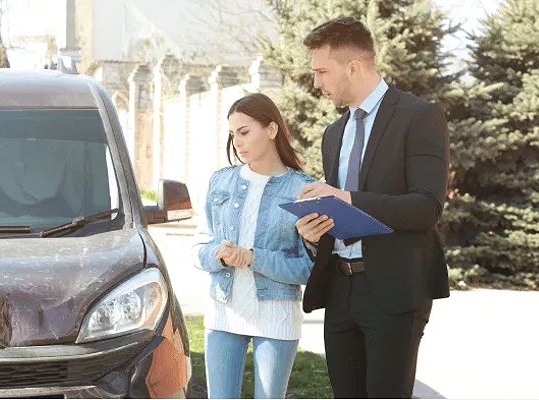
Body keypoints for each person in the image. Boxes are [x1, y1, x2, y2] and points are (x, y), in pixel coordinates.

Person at [294, 17, 450, 398]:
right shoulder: (334, 134)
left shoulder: (419, 116)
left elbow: (426, 207)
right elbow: (340, 217)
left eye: (322, 71)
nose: (316, 83)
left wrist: (348, 198)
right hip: (339, 290)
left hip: (394, 289)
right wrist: (313, 231)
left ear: (354, 67)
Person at [192, 93, 315, 399]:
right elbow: (199, 248)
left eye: (245, 132)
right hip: (223, 313)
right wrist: (219, 256)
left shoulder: (303, 188)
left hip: (277, 315)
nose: (237, 142)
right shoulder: (220, 182)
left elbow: (307, 268)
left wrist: (252, 257)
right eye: (233, 134)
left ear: (271, 130)